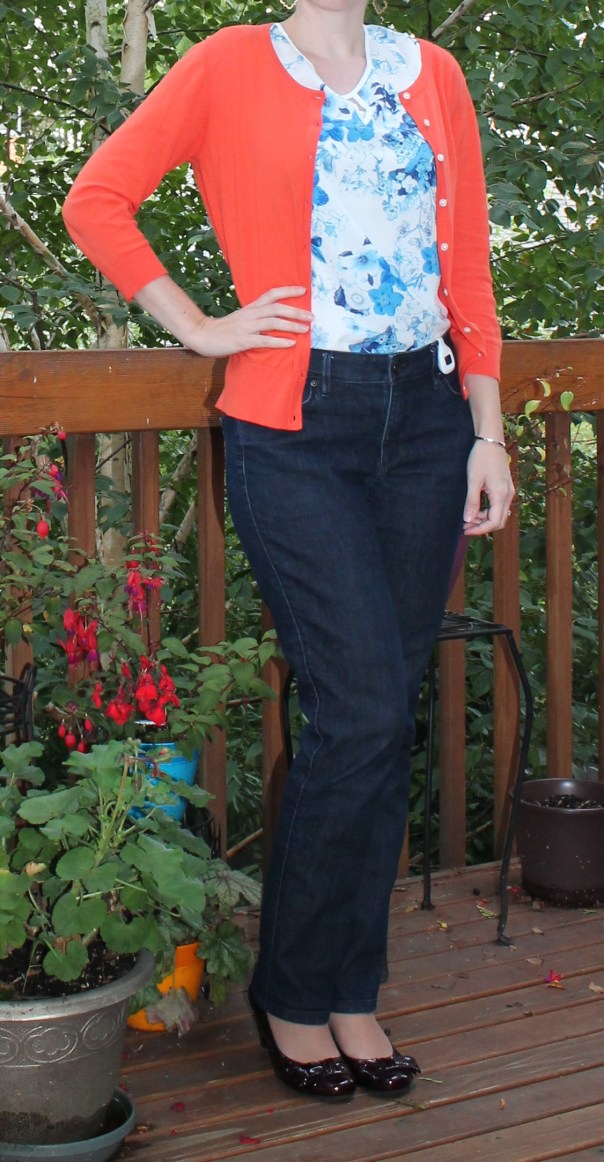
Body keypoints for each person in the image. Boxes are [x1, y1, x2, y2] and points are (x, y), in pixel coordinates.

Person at [63, 0, 514, 1102]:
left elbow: (467, 270)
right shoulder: (227, 66)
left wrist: (488, 433)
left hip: (427, 423)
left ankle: (349, 989)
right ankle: (294, 990)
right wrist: (200, 327)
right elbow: (98, 200)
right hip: (293, 428)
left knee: (383, 710)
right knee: (357, 707)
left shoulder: (433, 73)